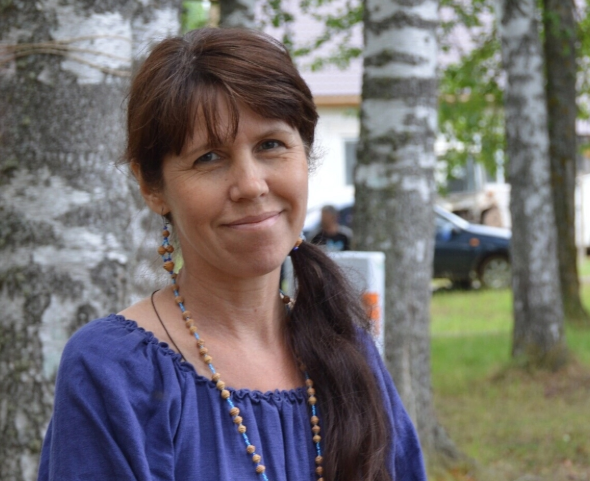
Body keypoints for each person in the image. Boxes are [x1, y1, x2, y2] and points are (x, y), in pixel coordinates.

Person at [37, 28, 426, 481]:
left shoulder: (347, 351)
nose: (251, 185)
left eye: (271, 145)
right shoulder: (115, 371)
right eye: (209, 157)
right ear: (152, 186)